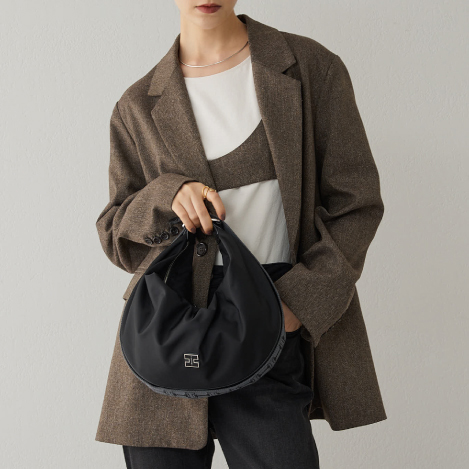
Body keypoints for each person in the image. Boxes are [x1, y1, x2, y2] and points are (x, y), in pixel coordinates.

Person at [95, 2, 387, 468]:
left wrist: (297, 306)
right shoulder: (137, 105)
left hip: (267, 325)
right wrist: (168, 195)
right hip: (165, 340)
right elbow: (115, 232)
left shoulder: (311, 68)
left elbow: (356, 203)